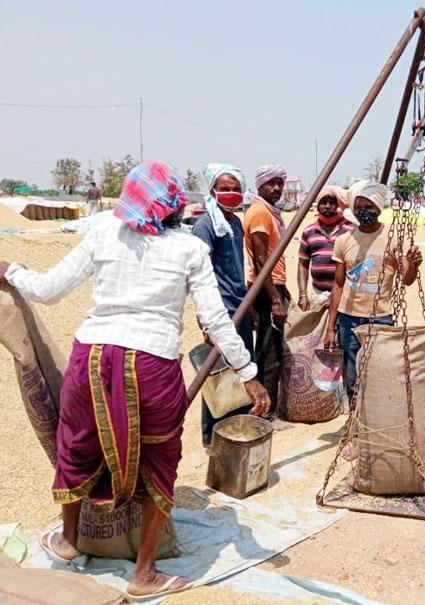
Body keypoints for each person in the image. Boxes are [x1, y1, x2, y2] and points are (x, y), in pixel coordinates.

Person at [0, 161, 269, 600]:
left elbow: (48, 290)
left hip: (92, 360)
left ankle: (68, 539)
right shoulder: (188, 249)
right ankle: (144, 573)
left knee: (77, 444)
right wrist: (249, 375)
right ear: (173, 205)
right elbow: (217, 320)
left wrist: (12, 271)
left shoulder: (105, 232)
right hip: (153, 368)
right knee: (159, 462)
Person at [323, 181, 422, 399]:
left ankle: (375, 422)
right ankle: (354, 423)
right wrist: (331, 326)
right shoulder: (344, 241)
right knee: (352, 376)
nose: (363, 212)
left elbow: (406, 279)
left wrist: (413, 265)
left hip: (380, 318)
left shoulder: (393, 239)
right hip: (349, 319)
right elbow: (338, 284)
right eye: (358, 208)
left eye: (368, 207)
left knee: (378, 374)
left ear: (378, 208)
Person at [192, 163, 254, 446]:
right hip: (220, 311)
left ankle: (236, 428)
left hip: (239, 306)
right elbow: (197, 275)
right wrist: (205, 321)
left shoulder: (234, 222)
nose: (231, 194)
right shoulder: (206, 225)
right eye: (225, 189)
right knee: (218, 375)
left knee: (242, 369)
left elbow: (235, 267)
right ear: (213, 191)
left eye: (235, 189)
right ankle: (211, 435)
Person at [244, 164, 291, 414]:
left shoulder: (269, 212)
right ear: (259, 185)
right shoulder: (260, 213)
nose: (276, 188)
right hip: (266, 287)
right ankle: (267, 411)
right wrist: (275, 299)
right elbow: (261, 261)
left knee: (268, 348)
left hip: (272, 284)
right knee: (269, 352)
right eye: (271, 183)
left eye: (280, 183)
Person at [297, 186, 354, 309]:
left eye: (332, 202)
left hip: (344, 294)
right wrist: (302, 295)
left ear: (338, 204)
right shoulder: (309, 231)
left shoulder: (350, 230)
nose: (327, 206)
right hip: (318, 294)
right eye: (323, 202)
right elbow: (303, 264)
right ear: (317, 205)